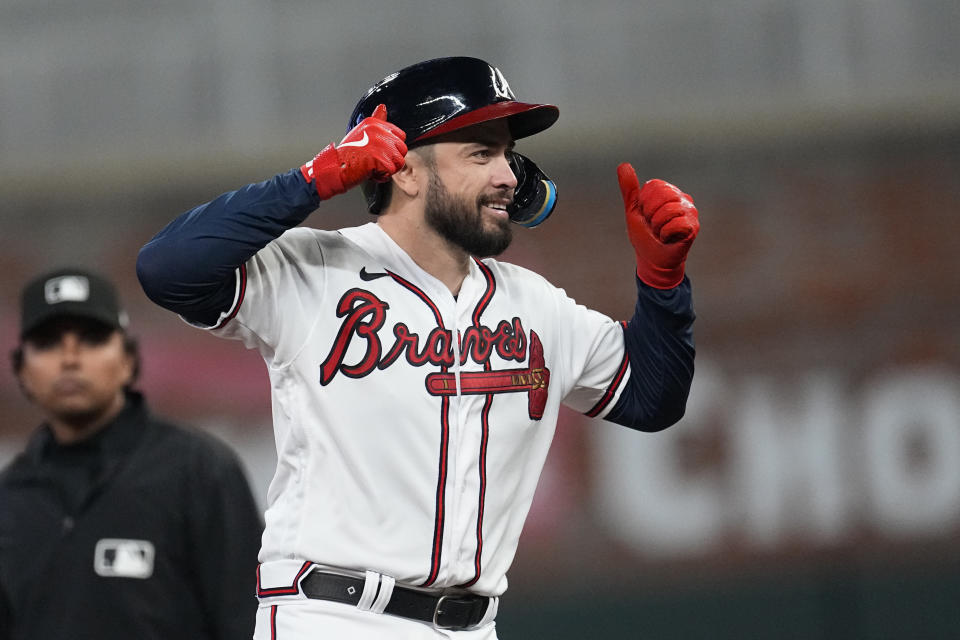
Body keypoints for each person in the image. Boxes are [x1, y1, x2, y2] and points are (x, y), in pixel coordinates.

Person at [136, 56, 699, 639]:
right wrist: (313, 179)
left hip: (473, 627)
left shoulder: (537, 305)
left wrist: (662, 286)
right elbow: (167, 269)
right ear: (404, 171)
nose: (508, 176)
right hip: (333, 615)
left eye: (507, 154)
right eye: (481, 154)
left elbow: (652, 399)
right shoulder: (315, 271)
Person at [0, 268, 264, 640]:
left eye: (92, 339)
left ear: (128, 360)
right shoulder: (9, 497)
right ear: (21, 371)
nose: (70, 358)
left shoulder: (199, 471)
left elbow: (247, 618)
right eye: (47, 343)